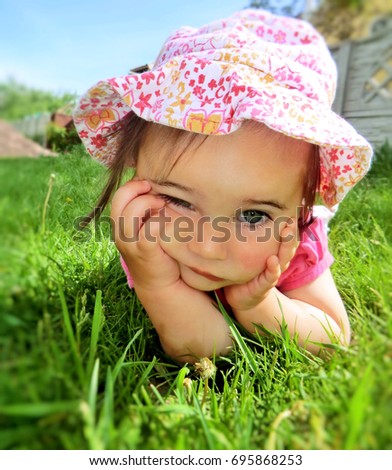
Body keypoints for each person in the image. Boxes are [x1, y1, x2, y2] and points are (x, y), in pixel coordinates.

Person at [73, 9, 372, 364]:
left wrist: (260, 305)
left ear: (302, 205)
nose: (207, 246)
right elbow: (208, 352)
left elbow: (333, 340)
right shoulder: (147, 242)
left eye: (252, 215)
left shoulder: (294, 241)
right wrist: (159, 286)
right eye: (177, 200)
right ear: (137, 170)